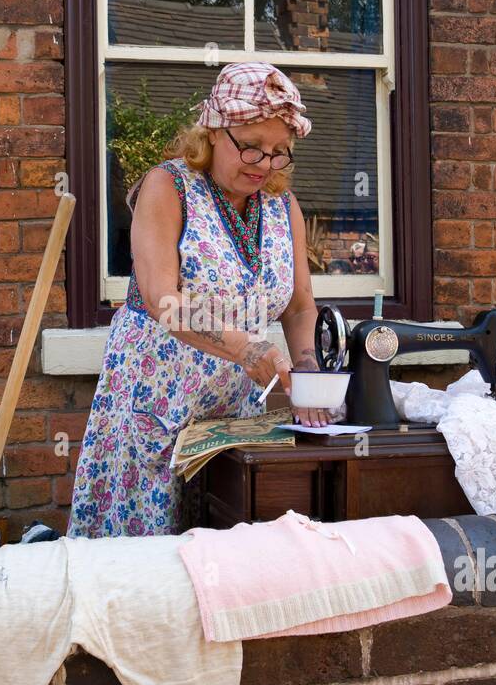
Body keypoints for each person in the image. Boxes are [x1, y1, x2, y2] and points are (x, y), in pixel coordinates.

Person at [67, 62, 330, 538]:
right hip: (155, 406)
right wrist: (247, 349)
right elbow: (161, 298)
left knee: (221, 548)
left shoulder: (281, 205)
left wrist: (307, 366)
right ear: (212, 130)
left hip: (231, 418)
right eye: (250, 146)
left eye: (278, 153)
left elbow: (298, 304)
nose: (264, 163)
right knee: (146, 565)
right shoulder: (167, 187)